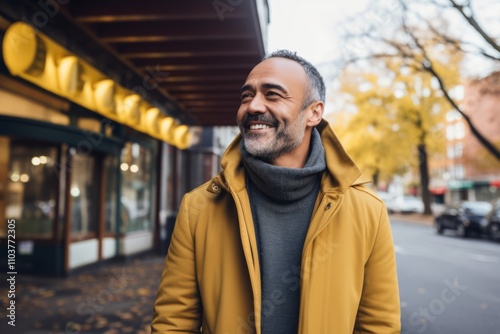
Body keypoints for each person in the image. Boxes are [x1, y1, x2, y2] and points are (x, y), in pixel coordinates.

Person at [152, 50, 401, 333]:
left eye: (272, 94)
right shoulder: (198, 207)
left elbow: (378, 326)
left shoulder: (368, 211)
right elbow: (173, 323)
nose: (253, 106)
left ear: (313, 113)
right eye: (246, 95)